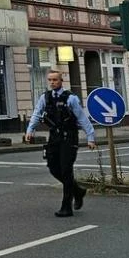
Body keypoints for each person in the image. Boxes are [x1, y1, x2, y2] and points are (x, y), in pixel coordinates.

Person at [26, 70, 97, 218]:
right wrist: (30, 130)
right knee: (53, 167)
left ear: (61, 81)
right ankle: (78, 191)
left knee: (66, 170)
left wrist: (90, 137)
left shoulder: (70, 98)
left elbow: (82, 118)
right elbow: (37, 113)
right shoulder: (45, 97)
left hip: (69, 137)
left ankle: (66, 207)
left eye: (55, 80)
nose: (52, 82)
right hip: (54, 137)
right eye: (50, 80)